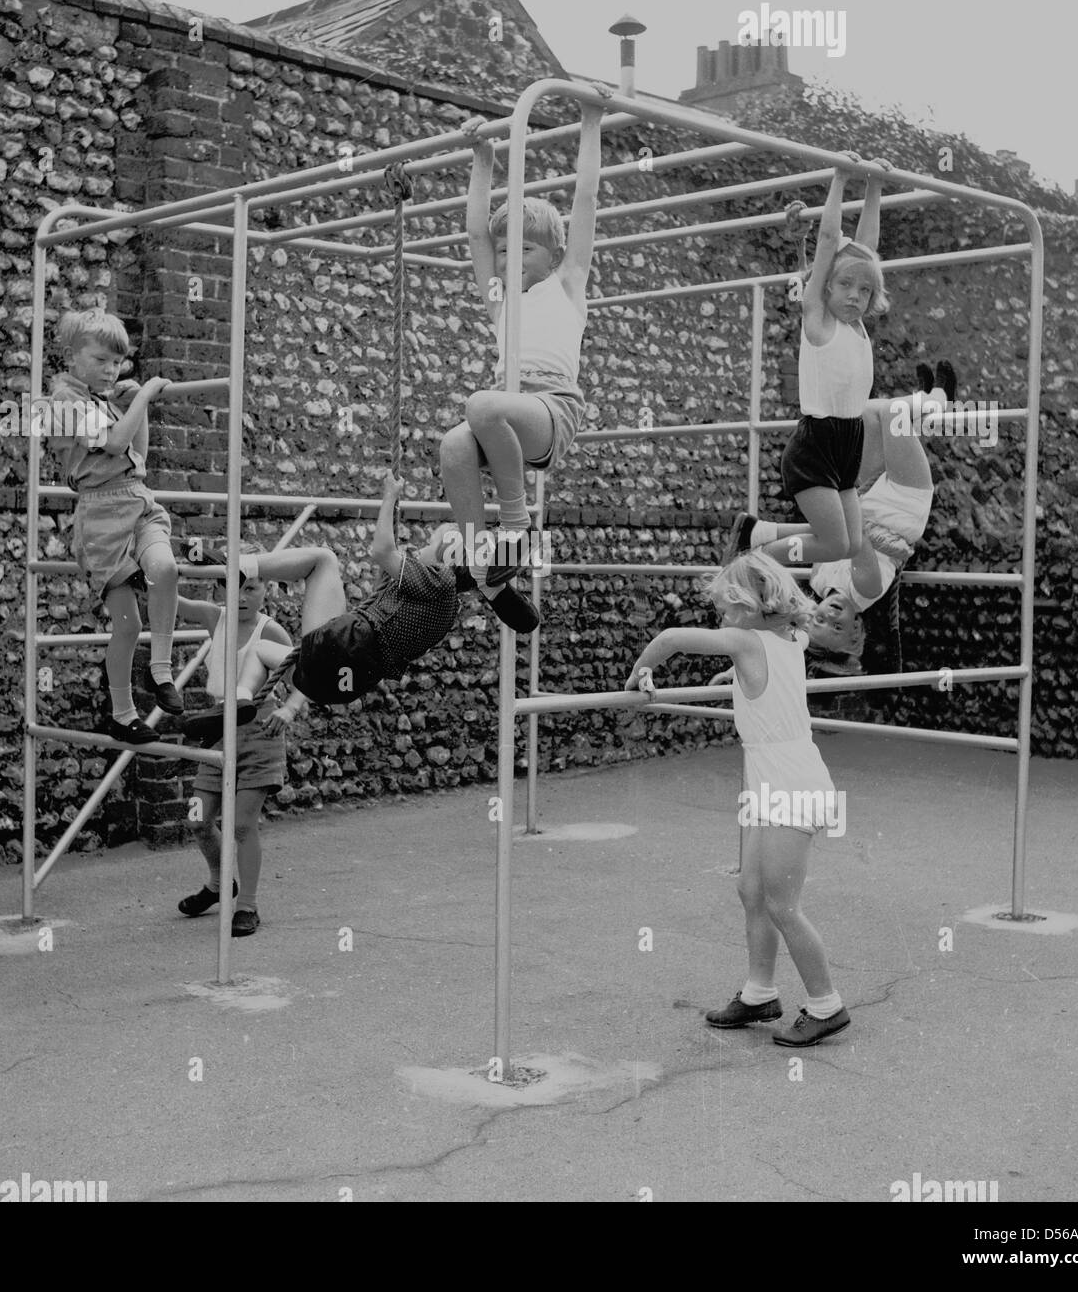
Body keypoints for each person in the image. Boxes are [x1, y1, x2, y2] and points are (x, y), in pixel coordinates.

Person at [626, 551, 851, 1047]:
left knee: (782, 904)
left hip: (790, 786)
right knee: (751, 892)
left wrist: (639, 672)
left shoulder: (745, 639)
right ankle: (759, 992)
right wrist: (737, 678)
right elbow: (776, 679)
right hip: (771, 781)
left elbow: (667, 640)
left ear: (749, 608)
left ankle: (826, 1004)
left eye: (727, 608)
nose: (721, 619)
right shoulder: (788, 636)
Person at [439, 91, 607, 628]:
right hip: (507, 414)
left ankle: (517, 523)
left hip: (551, 410)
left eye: (525, 251)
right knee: (453, 445)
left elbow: (586, 197)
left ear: (553, 256)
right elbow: (474, 232)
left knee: (481, 406)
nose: (511, 259)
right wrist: (483, 158)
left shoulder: (568, 283)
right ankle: (483, 565)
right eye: (506, 251)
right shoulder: (499, 298)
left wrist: (590, 121)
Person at [219, 473, 531, 708]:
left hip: (345, 645)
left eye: (430, 544)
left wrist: (389, 497)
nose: (420, 548)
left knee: (323, 560)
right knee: (262, 651)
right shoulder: (448, 607)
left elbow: (381, 551)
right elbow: (387, 595)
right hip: (344, 684)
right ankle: (241, 699)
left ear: (445, 557)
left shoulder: (439, 581)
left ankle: (243, 563)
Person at [729, 365, 960, 674]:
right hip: (903, 505)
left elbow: (824, 533)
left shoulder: (819, 582)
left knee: (865, 413)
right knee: (894, 416)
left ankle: (922, 398)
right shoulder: (867, 591)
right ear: (855, 632)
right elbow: (854, 539)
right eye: (837, 628)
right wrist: (766, 557)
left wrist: (766, 542)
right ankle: (939, 399)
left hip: (867, 498)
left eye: (820, 620)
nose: (831, 616)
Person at [725, 154, 893, 570]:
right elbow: (827, 241)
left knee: (852, 544)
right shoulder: (819, 319)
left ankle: (757, 534)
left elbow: (866, 249)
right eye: (845, 285)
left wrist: (875, 186)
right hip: (816, 446)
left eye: (865, 291)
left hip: (848, 444)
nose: (855, 296)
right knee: (834, 544)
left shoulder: (857, 327)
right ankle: (752, 561)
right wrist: (839, 178)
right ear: (826, 287)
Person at [45, 308, 182, 744]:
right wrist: (144, 396)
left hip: (136, 500)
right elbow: (118, 441)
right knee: (127, 624)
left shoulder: (99, 399)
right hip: (101, 517)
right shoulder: (64, 401)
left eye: (116, 362)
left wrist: (128, 402)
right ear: (71, 356)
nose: (111, 370)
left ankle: (162, 671)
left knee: (166, 570)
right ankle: (123, 714)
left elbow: (136, 455)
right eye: (101, 359)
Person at [174, 542, 307, 937]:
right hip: (218, 728)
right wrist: (155, 560)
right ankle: (219, 885)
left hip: (259, 730)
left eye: (252, 587)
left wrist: (289, 709)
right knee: (198, 819)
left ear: (267, 588)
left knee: (243, 825)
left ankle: (246, 905)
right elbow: (166, 597)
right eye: (234, 586)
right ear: (220, 588)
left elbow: (305, 677)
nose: (243, 596)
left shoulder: (272, 631)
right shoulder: (214, 618)